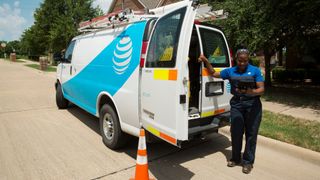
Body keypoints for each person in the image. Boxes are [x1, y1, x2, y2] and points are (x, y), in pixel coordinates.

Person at [198, 49, 264, 174]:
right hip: (237, 105)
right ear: (236, 60)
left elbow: (261, 89)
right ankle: (235, 158)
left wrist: (251, 92)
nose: (242, 63)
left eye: (245, 61)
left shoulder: (255, 70)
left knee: (251, 134)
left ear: (248, 60)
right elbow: (213, 73)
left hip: (253, 105)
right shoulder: (230, 71)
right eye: (240, 61)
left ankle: (248, 162)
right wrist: (206, 60)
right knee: (236, 132)